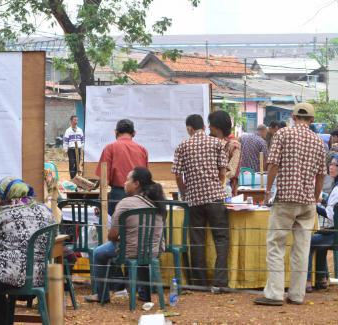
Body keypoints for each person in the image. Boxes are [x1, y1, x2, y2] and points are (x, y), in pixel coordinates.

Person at [253, 102, 326, 306]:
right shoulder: (318, 142)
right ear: (311, 120)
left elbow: (273, 164)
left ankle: (275, 293)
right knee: (302, 249)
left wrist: (268, 191)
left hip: (285, 198)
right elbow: (321, 175)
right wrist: (315, 196)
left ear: (293, 117)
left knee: (276, 245)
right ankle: (297, 294)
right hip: (307, 202)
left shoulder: (283, 135)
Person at [0, 177, 54, 325]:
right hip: (37, 274)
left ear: (4, 194)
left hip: (6, 273)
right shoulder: (45, 210)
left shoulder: (0, 213)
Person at [84, 167, 165, 303]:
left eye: (128, 180)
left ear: (136, 184)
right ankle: (145, 294)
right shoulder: (158, 201)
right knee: (142, 253)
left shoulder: (126, 203)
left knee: (98, 253)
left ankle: (102, 295)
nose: (124, 183)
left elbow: (112, 236)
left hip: (130, 251)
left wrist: (121, 237)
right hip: (153, 251)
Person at [172, 114, 229, 291]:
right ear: (204, 126)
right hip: (215, 198)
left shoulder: (183, 146)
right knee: (221, 240)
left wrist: (184, 192)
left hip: (194, 200)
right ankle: (220, 283)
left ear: (189, 128)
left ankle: (199, 283)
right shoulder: (217, 143)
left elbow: (177, 174)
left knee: (197, 240)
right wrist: (217, 187)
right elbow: (222, 171)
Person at [306, 154, 338, 292]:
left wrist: (312, 206)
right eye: (331, 164)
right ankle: (321, 279)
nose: (331, 167)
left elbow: (331, 216)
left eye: (336, 165)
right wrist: (322, 201)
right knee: (320, 238)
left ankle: (306, 281)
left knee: (308, 241)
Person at [95, 119, 148, 216]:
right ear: (134, 133)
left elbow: (104, 181)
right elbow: (146, 178)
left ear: (116, 132)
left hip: (117, 196)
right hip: (139, 197)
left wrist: (100, 203)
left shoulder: (109, 148)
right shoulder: (142, 150)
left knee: (114, 227)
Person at [208, 110, 241, 196]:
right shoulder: (209, 143)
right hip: (209, 189)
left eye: (211, 124)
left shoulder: (234, 145)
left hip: (227, 188)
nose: (209, 127)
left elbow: (232, 171)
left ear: (218, 126)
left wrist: (216, 181)